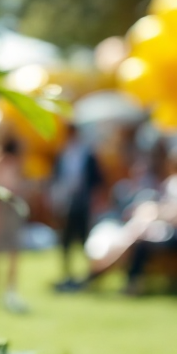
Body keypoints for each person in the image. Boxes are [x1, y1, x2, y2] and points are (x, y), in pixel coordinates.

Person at [70, 153, 177, 294]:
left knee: (140, 240)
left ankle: (98, 275)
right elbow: (169, 209)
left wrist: (157, 215)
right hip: (171, 233)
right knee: (137, 234)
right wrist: (152, 211)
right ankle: (107, 275)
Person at [50, 123, 103, 287]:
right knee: (65, 239)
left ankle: (90, 272)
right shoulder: (62, 153)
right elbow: (56, 178)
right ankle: (67, 273)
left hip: (82, 202)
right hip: (65, 202)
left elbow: (96, 180)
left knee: (84, 238)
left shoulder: (88, 153)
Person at [0, 138, 29, 313]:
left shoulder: (17, 160)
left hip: (10, 207)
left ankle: (10, 291)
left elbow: (20, 182)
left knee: (13, 250)